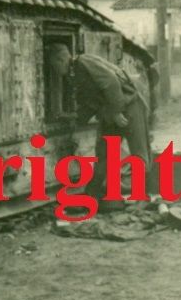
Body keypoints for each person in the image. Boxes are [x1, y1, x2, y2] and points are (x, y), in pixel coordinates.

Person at [47, 43, 151, 208]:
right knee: (104, 153)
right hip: (111, 112)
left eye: (55, 66)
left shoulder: (83, 62)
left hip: (130, 104)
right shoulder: (73, 76)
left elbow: (111, 82)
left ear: (62, 60)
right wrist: (75, 119)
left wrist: (117, 112)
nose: (56, 72)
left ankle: (141, 199)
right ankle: (93, 197)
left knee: (138, 151)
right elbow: (90, 103)